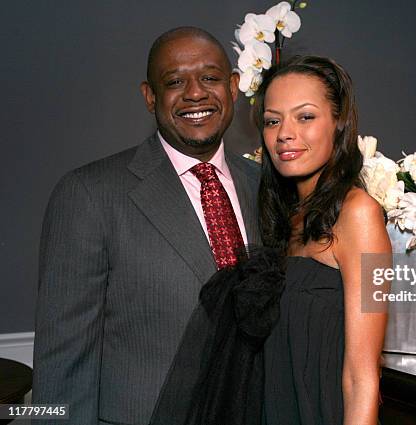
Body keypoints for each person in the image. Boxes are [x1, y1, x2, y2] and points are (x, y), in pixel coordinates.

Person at [32, 26, 260, 425]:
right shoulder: (89, 194)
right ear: (150, 97)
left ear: (234, 86)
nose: (195, 93)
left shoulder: (266, 187)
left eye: (210, 77)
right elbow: (63, 365)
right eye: (175, 81)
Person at [255, 56, 391, 425]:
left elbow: (363, 378)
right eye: (272, 120)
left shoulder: (361, 214)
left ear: (339, 123)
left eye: (305, 116)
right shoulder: (282, 219)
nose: (284, 133)